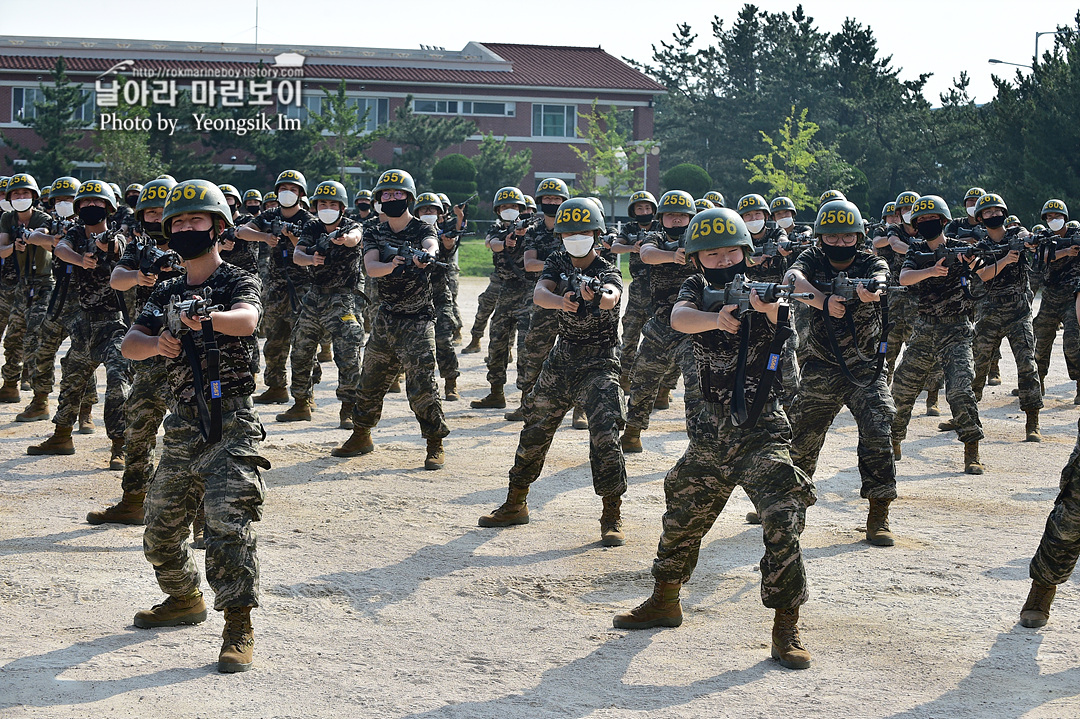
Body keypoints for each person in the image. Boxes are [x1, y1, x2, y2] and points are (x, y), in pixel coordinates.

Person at [613, 207, 816, 671]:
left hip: (761, 433)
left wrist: (760, 307)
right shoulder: (695, 290)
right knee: (681, 520)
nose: (723, 260)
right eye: (712, 253)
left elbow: (779, 311)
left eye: (730, 251)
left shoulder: (764, 285)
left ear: (745, 251)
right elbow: (680, 318)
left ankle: (786, 625)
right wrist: (717, 320)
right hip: (708, 437)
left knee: (783, 519)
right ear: (697, 258)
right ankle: (665, 599)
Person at [123, 179, 267, 673]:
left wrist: (207, 320)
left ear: (218, 227)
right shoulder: (165, 287)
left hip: (231, 420)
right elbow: (130, 344)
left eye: (196, 220)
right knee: (160, 531)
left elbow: (247, 320)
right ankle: (185, 599)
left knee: (229, 525)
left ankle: (238, 626)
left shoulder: (237, 280)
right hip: (183, 422)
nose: (187, 227)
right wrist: (158, 342)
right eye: (179, 222)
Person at [478, 197, 627, 545]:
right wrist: (562, 300)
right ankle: (516, 503)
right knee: (534, 430)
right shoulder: (558, 260)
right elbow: (540, 293)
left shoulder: (608, 267)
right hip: (562, 360)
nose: (576, 237)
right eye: (569, 232)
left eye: (584, 231)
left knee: (606, 435)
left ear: (596, 233)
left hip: (599, 362)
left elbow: (612, 295)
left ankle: (611, 514)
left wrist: (595, 294)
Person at [783, 200, 898, 545]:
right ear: (820, 237)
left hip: (865, 369)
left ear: (859, 237)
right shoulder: (812, 259)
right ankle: (786, 507)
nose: (839, 244)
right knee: (801, 441)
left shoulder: (869, 261)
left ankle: (879, 512)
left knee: (879, 431)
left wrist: (872, 290)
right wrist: (822, 300)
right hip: (821, 366)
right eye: (831, 237)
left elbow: (882, 274)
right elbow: (791, 277)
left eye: (847, 237)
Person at [331, 169, 448, 469]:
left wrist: (424, 257)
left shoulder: (423, 228)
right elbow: (371, 268)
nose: (392, 198)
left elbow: (431, 246)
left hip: (419, 320)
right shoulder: (374, 231)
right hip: (386, 318)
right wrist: (394, 264)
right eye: (386, 194)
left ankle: (434, 442)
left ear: (408, 197)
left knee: (422, 385)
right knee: (369, 382)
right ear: (379, 199)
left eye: (398, 194)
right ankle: (361, 434)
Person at [86, 176, 183, 525]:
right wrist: (139, 277)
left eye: (162, 211)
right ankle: (133, 499)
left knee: (194, 431)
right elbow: (116, 278)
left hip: (190, 350)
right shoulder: (139, 246)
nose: (156, 218)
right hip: (149, 346)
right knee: (138, 425)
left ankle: (203, 516)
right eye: (150, 212)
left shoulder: (189, 243)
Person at [26, 179, 130, 469]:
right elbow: (60, 249)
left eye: (96, 203)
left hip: (114, 324)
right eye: (84, 203)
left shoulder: (116, 236)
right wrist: (81, 260)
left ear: (108, 207)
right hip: (84, 323)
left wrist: (104, 246)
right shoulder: (73, 233)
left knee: (118, 385)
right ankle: (61, 435)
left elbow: (118, 248)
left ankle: (120, 446)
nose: (90, 207)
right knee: (71, 381)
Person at [890, 195, 985, 474]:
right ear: (916, 225)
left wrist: (971, 262)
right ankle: (894, 439)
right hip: (924, 329)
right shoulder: (915, 250)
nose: (928, 223)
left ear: (943, 221)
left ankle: (972, 450)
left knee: (959, 390)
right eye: (922, 220)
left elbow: (980, 267)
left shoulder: (959, 247)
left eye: (933, 220)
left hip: (956, 330)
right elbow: (904, 278)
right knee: (903, 388)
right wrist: (931, 270)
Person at [277, 180, 364, 427]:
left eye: (332, 204)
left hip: (343, 298)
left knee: (347, 351)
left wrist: (344, 239)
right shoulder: (312, 227)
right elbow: (297, 256)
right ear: (315, 206)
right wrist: (311, 259)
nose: (327, 207)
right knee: (301, 348)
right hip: (314, 297)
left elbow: (355, 238)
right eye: (323, 203)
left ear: (342, 207)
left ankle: (348, 406)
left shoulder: (351, 226)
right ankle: (301, 402)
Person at [620, 190, 702, 452]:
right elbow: (646, 254)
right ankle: (632, 433)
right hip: (661, 324)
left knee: (697, 386)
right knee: (643, 380)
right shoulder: (655, 236)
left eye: (682, 216)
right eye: (670, 216)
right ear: (662, 218)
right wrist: (673, 256)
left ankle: (701, 443)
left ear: (690, 217)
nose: (676, 221)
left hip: (692, 326)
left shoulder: (701, 238)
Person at [967, 193, 1042, 441]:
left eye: (996, 211)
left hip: (1018, 310)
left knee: (1027, 365)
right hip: (989, 312)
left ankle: (1032, 422)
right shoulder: (977, 247)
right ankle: (967, 418)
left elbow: (1028, 239)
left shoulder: (1016, 235)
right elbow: (984, 275)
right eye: (987, 213)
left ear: (1004, 213)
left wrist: (1029, 242)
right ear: (980, 218)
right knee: (977, 366)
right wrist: (1005, 259)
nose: (992, 215)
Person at [236, 170, 314, 405]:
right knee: (274, 342)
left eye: (292, 189)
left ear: (300, 193)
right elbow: (242, 231)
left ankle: (305, 396)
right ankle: (276, 387)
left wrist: (291, 238)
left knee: (303, 344)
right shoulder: (270, 215)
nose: (286, 193)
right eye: (282, 189)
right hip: (276, 287)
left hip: (301, 288)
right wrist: (265, 236)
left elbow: (310, 250)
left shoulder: (309, 221)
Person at [471, 187, 532, 410]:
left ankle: (527, 399)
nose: (509, 210)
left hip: (529, 292)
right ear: (498, 210)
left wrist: (524, 234)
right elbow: (491, 244)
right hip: (505, 291)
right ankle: (496, 393)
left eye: (514, 206)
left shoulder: (533, 229)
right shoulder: (496, 229)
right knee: (497, 342)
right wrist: (507, 242)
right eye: (505, 206)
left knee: (526, 346)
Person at [0, 173, 53, 406]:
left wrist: (31, 238)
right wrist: (14, 245)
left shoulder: (43, 218)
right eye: (16, 194)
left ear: (34, 196)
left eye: (25, 193)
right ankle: (10, 386)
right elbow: (1, 250)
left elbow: (48, 239)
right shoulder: (7, 219)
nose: (20, 197)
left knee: (35, 339)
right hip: (22, 286)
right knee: (12, 338)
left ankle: (40, 398)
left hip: (43, 285)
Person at [412, 192, 461, 402]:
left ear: (440, 213)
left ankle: (451, 383)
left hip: (440, 297)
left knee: (443, 341)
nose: (428, 213)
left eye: (432, 210)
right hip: (414, 298)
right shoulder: (409, 233)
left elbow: (450, 247)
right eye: (424, 210)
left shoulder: (445, 233)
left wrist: (447, 242)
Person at [1031, 199, 1080, 402]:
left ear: (1065, 218)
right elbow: (1041, 257)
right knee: (1041, 341)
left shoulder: (1076, 235)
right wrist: (1066, 252)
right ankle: (1039, 380)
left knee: (1073, 342)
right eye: (1049, 217)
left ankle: (1079, 383)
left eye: (1057, 216)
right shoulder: (1044, 237)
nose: (1053, 220)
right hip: (1050, 296)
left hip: (1072, 296)